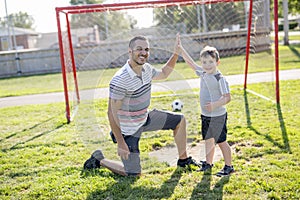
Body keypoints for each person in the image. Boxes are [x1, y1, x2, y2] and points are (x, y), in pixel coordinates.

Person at [83, 35, 200, 176]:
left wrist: (176, 53)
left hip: (144, 119)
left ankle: (183, 160)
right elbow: (111, 113)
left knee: (179, 120)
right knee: (133, 173)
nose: (143, 52)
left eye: (146, 49)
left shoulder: (147, 69)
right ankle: (99, 159)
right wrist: (121, 142)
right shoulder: (120, 79)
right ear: (130, 51)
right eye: (139, 49)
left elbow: (164, 73)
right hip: (127, 130)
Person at [177, 35, 234, 176]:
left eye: (210, 62)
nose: (207, 65)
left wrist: (215, 104)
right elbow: (190, 63)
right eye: (204, 62)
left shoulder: (220, 78)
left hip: (218, 116)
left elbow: (227, 98)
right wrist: (181, 49)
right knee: (208, 140)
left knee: (221, 142)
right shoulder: (203, 72)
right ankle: (208, 164)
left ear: (217, 62)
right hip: (206, 115)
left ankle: (229, 166)